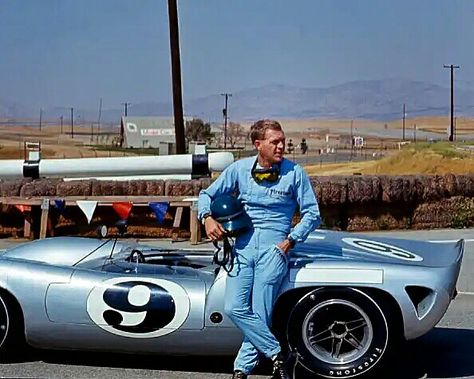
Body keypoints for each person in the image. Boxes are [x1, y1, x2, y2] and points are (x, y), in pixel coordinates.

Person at [198, 119, 320, 379]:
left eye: (282, 141)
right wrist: (207, 218)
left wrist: (290, 241)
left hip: (274, 247)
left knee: (261, 308)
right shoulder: (239, 170)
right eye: (274, 141)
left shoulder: (295, 173)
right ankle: (279, 354)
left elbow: (312, 214)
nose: (281, 146)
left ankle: (241, 369)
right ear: (258, 144)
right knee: (234, 307)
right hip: (241, 247)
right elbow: (205, 195)